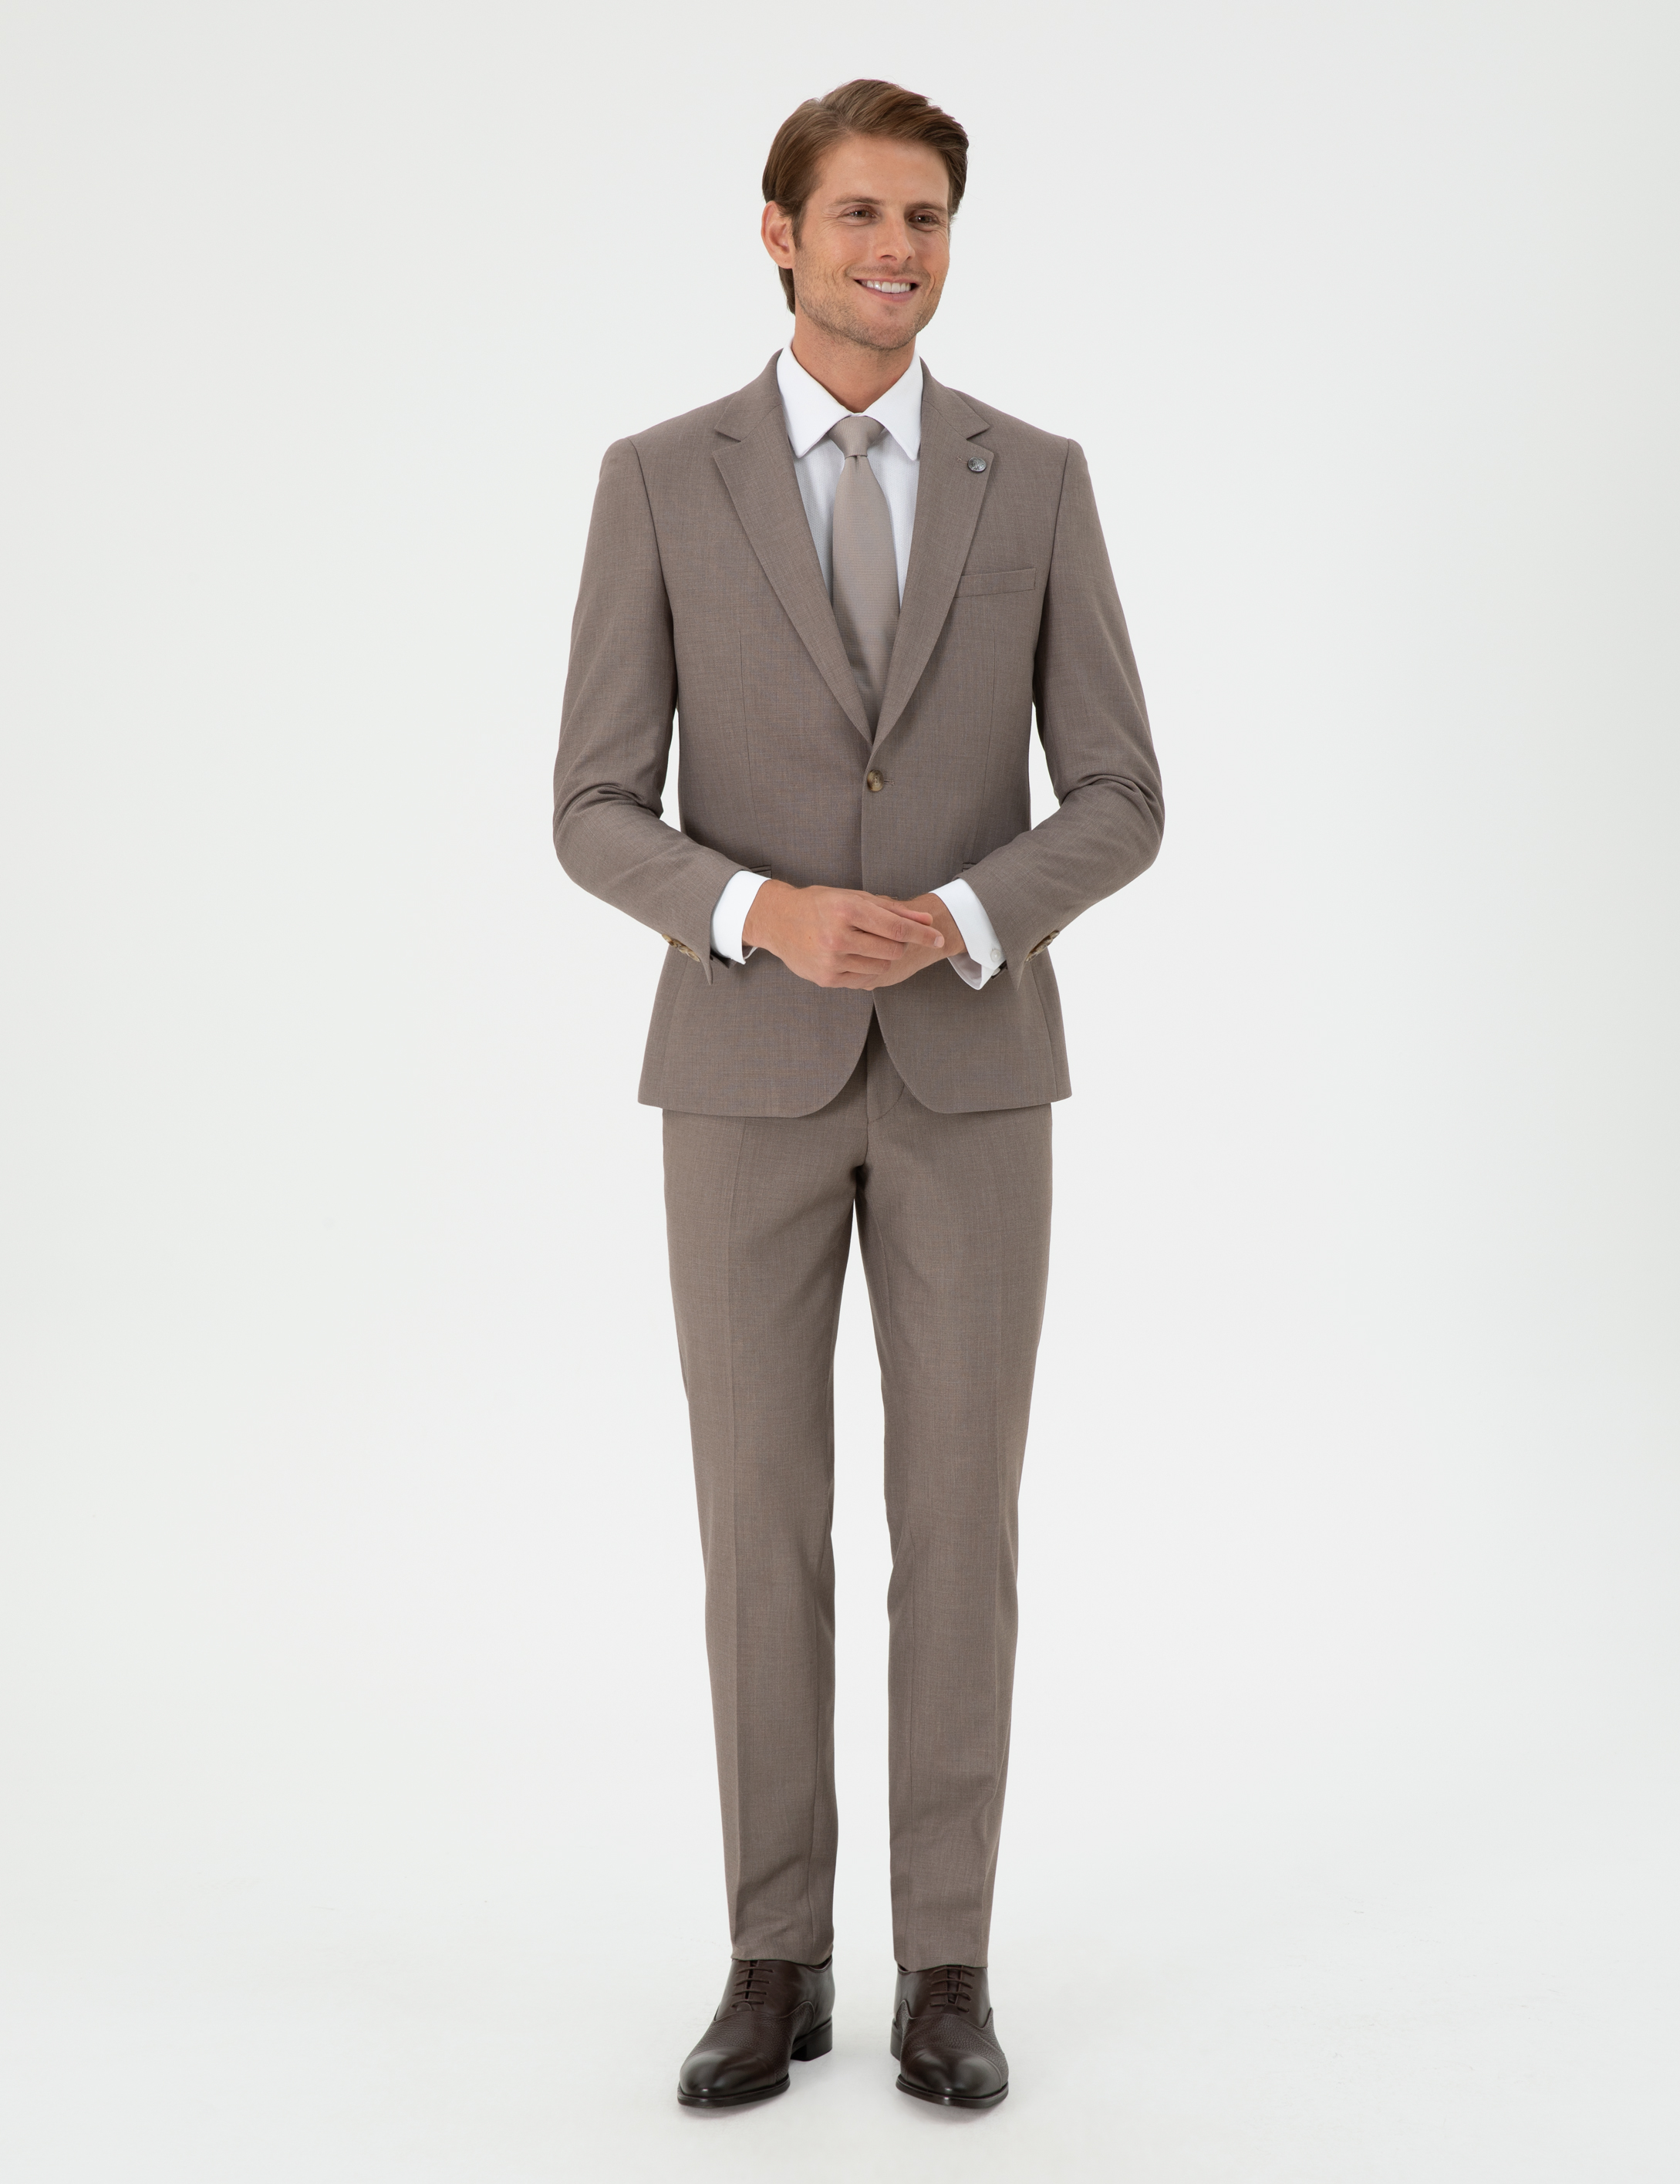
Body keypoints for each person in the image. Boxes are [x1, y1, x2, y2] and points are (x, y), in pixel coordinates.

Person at [552, 77, 1163, 2111]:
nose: (894, 251)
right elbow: (590, 804)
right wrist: (758, 912)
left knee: (957, 1528)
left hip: (975, 1075)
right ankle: (773, 1956)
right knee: (759, 1527)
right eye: (859, 216)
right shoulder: (661, 479)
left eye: (925, 219)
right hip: (742, 1073)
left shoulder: (1034, 478)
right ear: (778, 233)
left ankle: (948, 1969)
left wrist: (966, 918)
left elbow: (1120, 791)